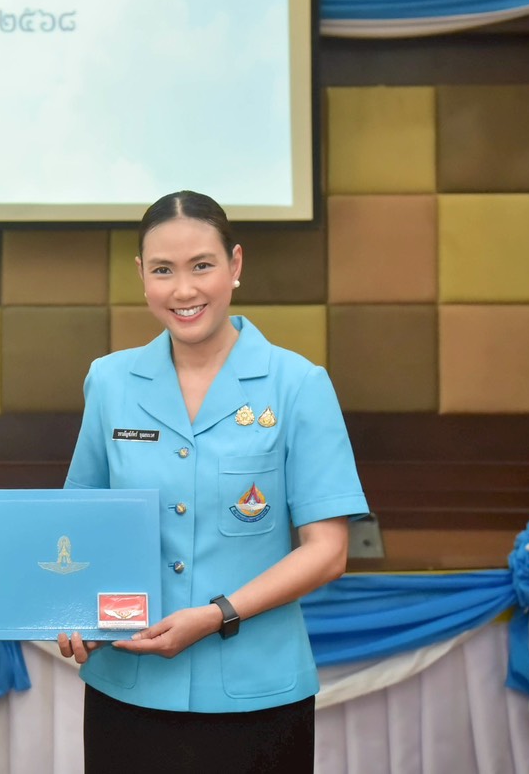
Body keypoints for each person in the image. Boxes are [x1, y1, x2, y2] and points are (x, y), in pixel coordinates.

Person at [59, 190, 368, 773]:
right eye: (163, 270)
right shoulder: (109, 381)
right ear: (141, 276)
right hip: (128, 686)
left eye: (202, 265)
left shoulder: (298, 385)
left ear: (235, 265)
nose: (184, 290)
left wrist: (216, 614)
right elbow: (81, 524)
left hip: (257, 693)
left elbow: (327, 552)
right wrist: (72, 612)